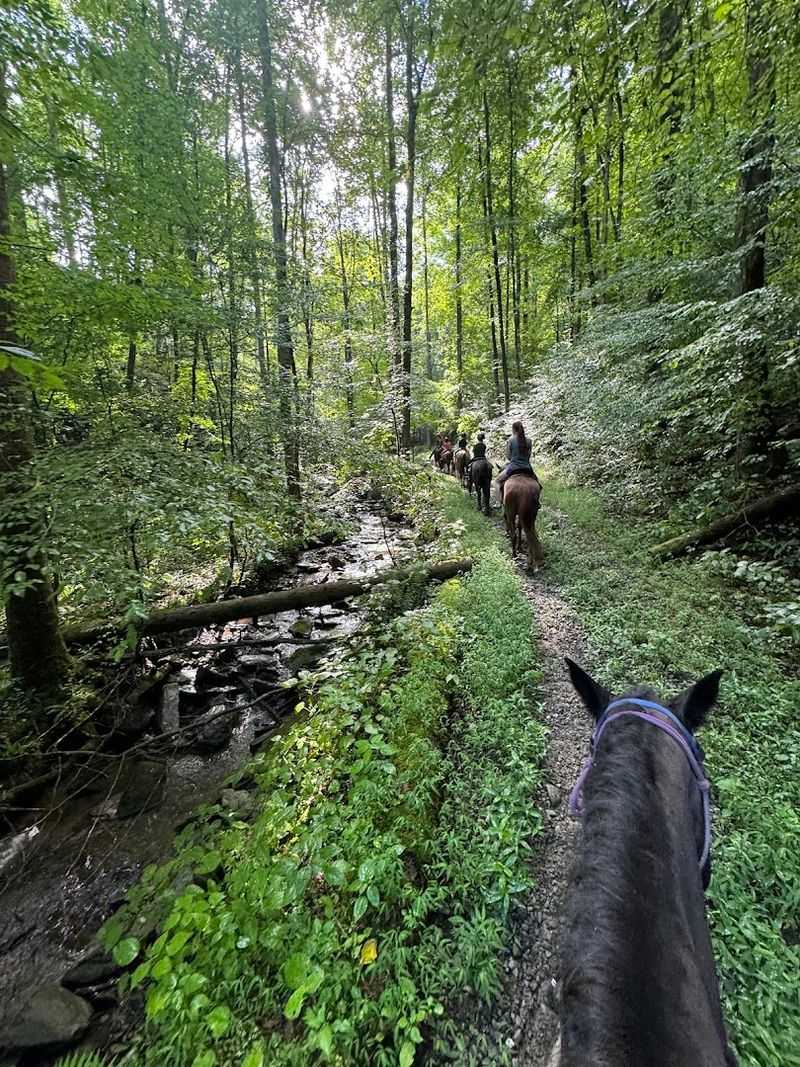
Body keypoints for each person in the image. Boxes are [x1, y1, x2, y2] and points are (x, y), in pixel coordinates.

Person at [496, 420, 537, 501]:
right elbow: (529, 455)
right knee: (538, 484)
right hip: (527, 467)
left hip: (513, 467)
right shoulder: (529, 440)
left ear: (513, 429)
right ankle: (537, 502)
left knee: (496, 482)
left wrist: (514, 458)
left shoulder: (510, 440)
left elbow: (508, 456)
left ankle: (499, 501)